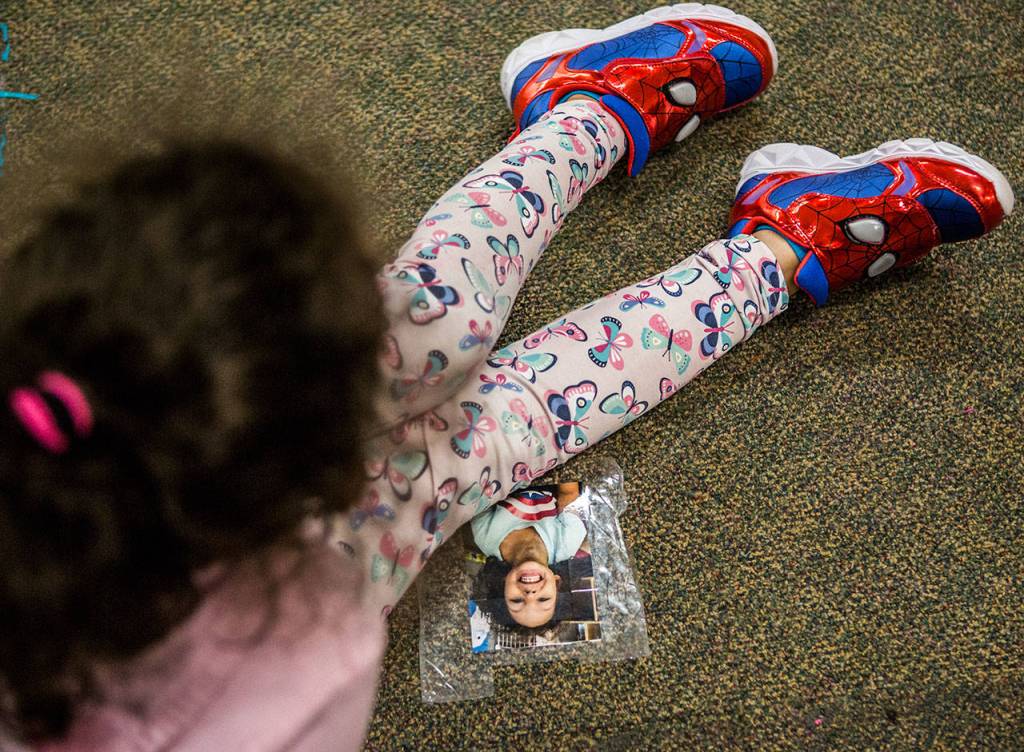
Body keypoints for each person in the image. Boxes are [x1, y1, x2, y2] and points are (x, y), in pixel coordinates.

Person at [0, 4, 1012, 750]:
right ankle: (744, 230)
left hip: (269, 543)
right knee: (482, 390)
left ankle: (597, 126)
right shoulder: (307, 651)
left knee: (461, 358)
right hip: (310, 574)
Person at [470, 482, 588, 628]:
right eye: (543, 599)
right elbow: (569, 492)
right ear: (557, 583)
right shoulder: (569, 540)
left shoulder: (485, 536)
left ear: (502, 584)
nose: (530, 594)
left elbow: (481, 486)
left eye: (517, 601)